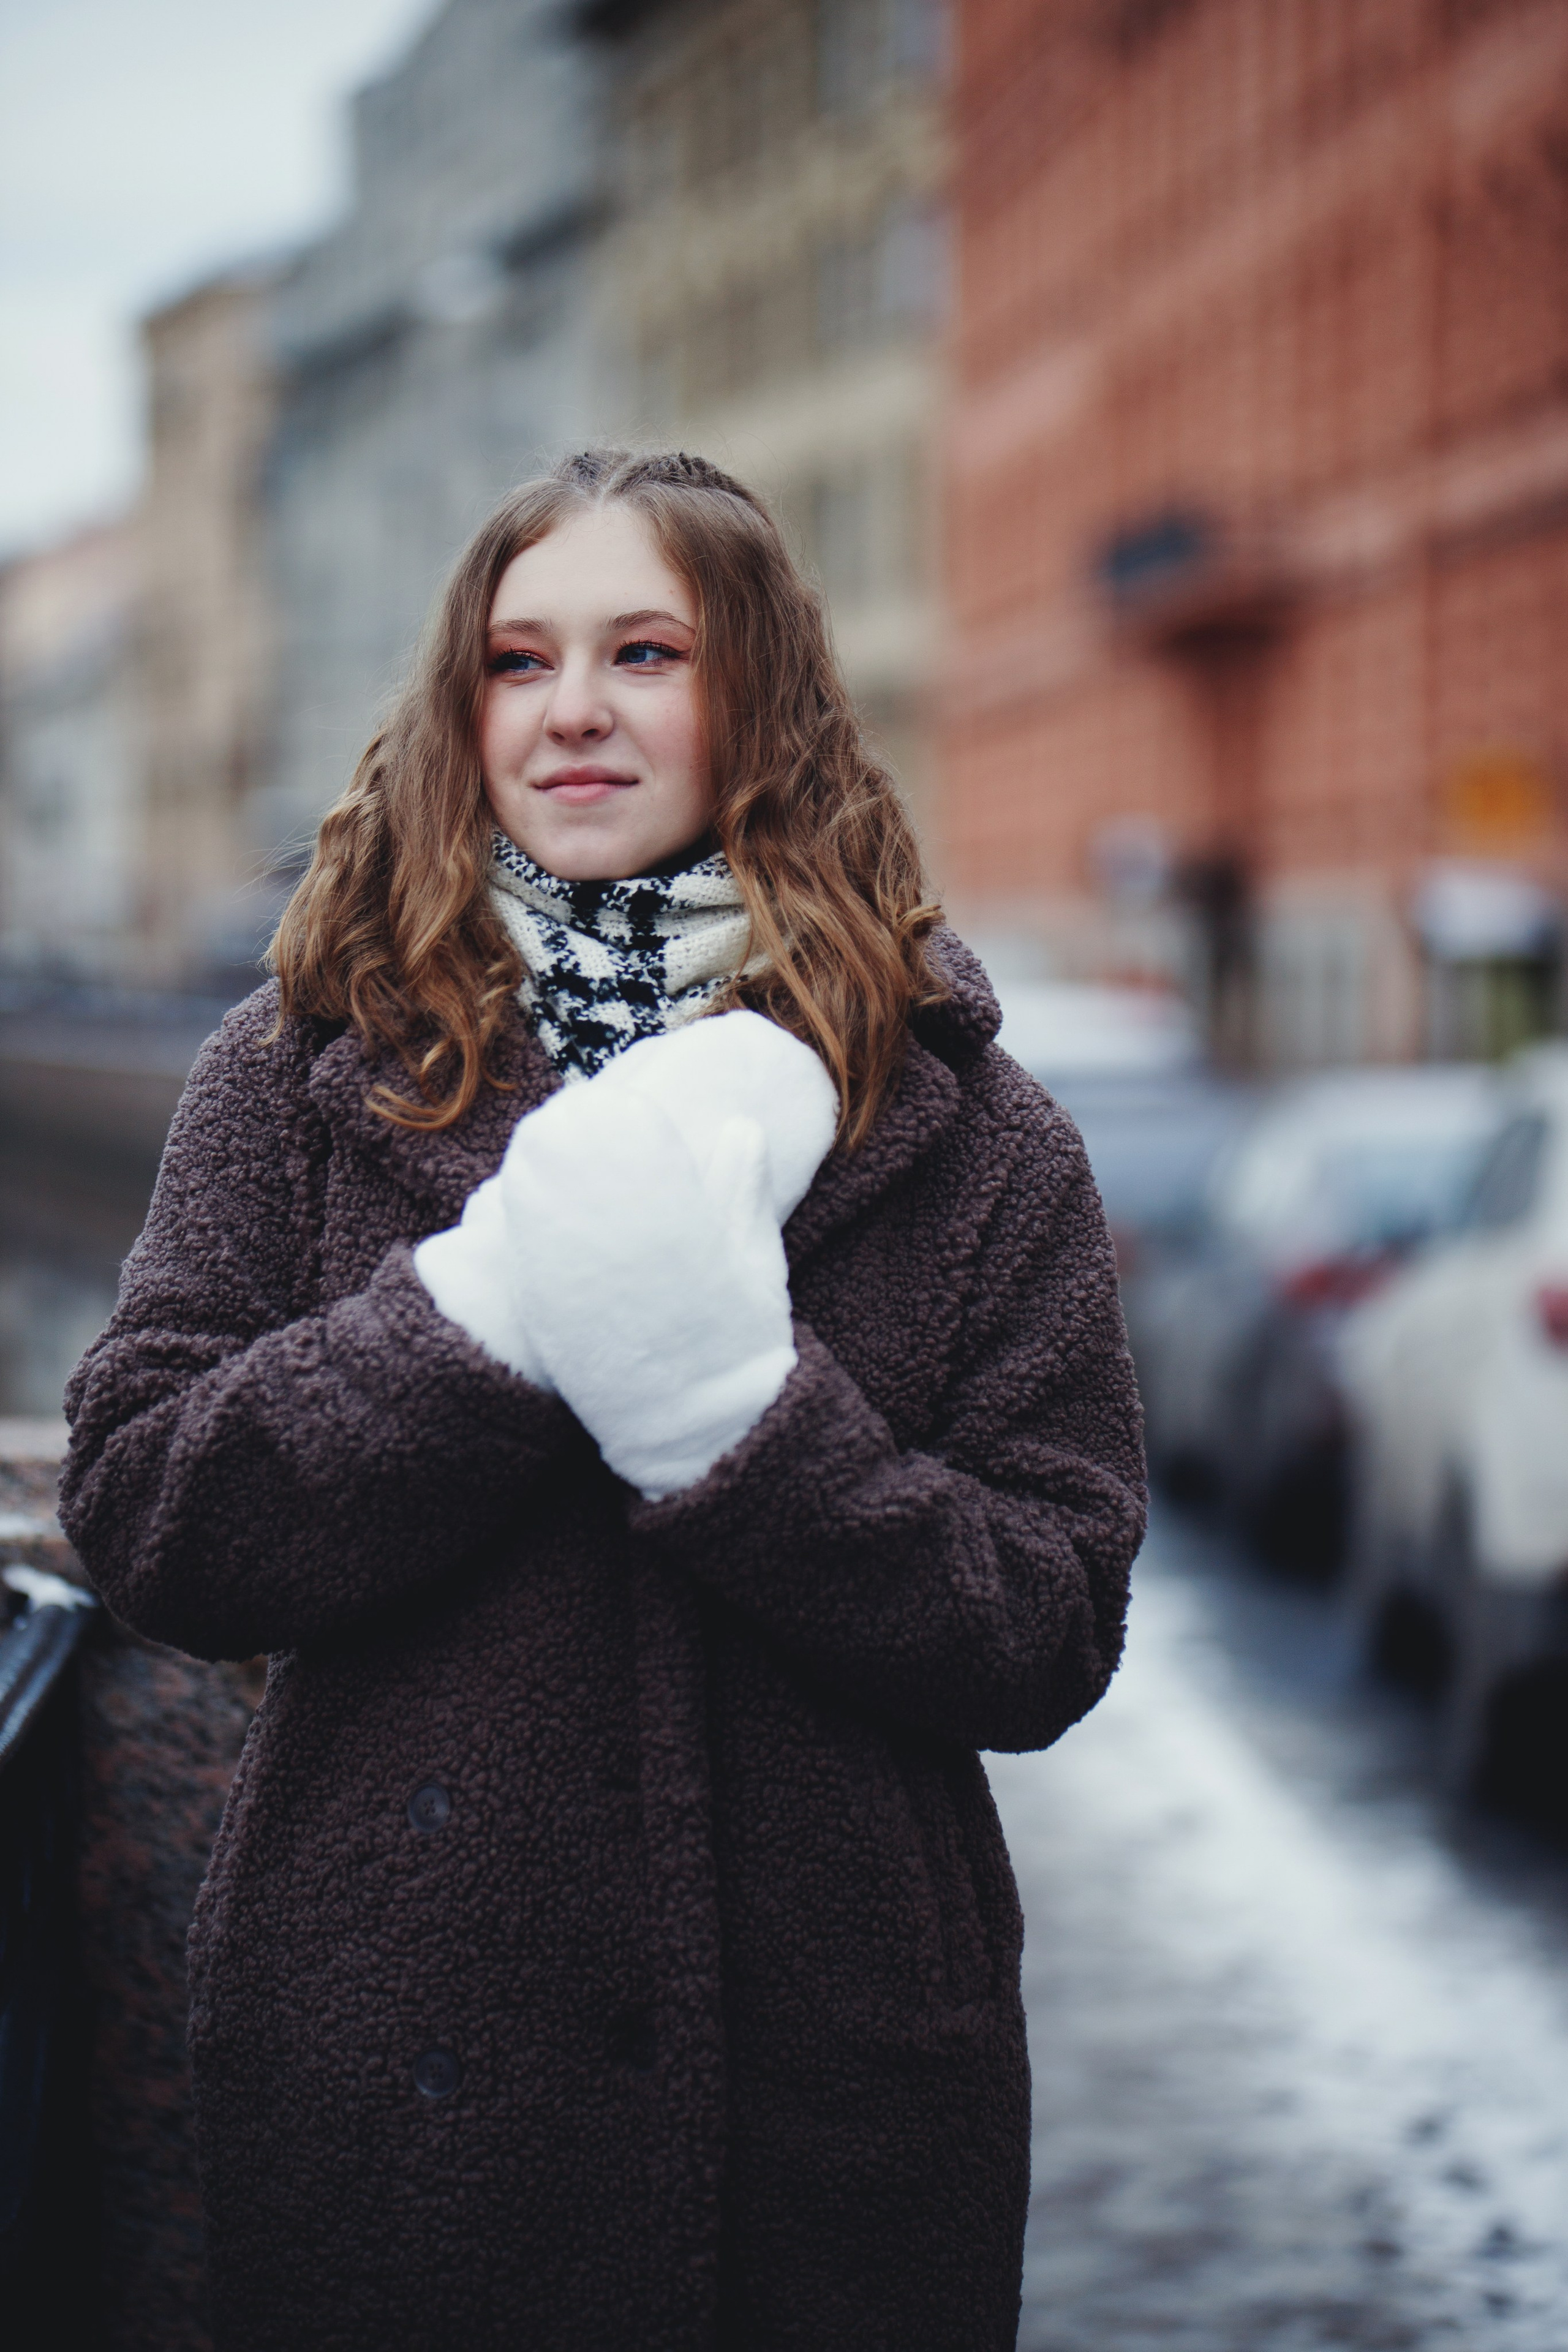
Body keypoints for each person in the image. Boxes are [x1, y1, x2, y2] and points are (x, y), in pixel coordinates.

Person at [60, 448, 1146, 2351]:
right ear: (457, 705)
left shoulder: (972, 1129)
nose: (572, 711)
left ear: (760, 695)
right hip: (394, 2054)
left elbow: (1048, 1624)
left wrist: (737, 1426)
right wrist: (474, 1324)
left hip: (831, 2096)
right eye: (517, 659)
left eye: (645, 652)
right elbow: (154, 1514)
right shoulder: (301, 1069)